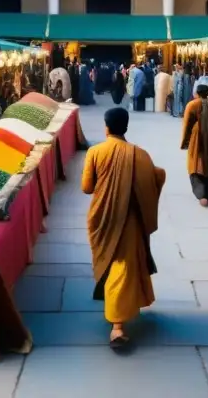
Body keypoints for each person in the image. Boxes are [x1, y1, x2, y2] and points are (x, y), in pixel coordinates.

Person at [81, 107, 166, 349]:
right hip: (129, 220)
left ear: (106, 127)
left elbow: (87, 187)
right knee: (125, 264)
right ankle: (125, 303)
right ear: (125, 127)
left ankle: (117, 326)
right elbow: (155, 178)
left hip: (103, 217)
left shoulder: (96, 152)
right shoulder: (140, 155)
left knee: (115, 265)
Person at [181, 83, 208, 205]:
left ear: (197, 93)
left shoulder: (192, 105)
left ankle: (201, 194)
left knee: (195, 164)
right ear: (207, 93)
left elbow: (187, 124)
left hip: (196, 138)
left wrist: (185, 142)